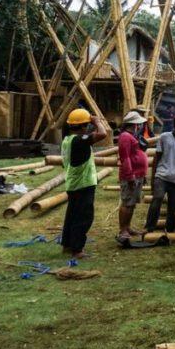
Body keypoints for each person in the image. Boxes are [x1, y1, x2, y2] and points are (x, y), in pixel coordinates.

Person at [60, 109, 107, 259]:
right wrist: (97, 122)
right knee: (83, 217)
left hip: (73, 184)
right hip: (83, 184)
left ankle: (67, 245)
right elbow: (103, 134)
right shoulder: (80, 140)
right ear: (83, 126)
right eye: (87, 125)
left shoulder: (67, 139)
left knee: (72, 215)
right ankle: (77, 250)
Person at [117, 110, 148, 244]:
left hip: (137, 174)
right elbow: (125, 158)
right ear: (135, 124)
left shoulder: (131, 136)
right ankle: (123, 229)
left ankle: (128, 227)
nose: (140, 126)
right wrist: (130, 177)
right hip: (131, 175)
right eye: (138, 124)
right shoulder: (125, 136)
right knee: (127, 203)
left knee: (132, 203)